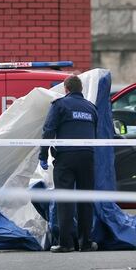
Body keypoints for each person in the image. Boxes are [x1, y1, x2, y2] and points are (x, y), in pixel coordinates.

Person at [39, 75, 98, 253]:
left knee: (65, 200)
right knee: (85, 200)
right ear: (80, 89)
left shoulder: (60, 105)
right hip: (87, 157)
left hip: (66, 158)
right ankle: (86, 242)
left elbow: (48, 131)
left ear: (66, 89)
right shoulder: (91, 108)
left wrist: (42, 155)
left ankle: (66, 243)